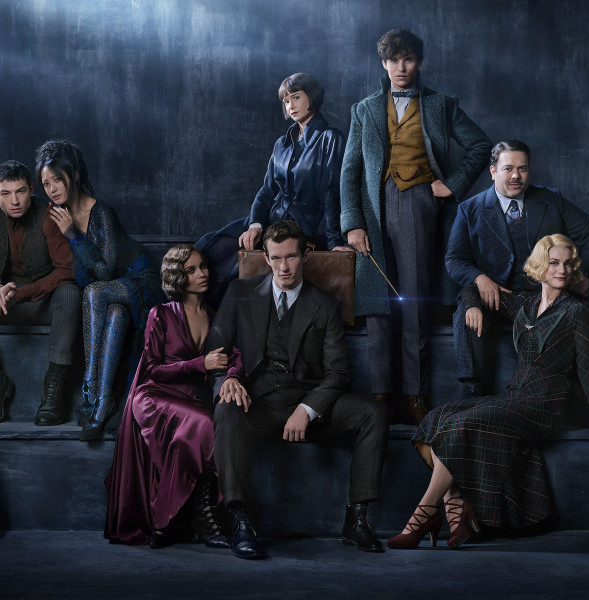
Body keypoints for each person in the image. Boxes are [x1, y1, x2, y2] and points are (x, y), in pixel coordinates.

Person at [387, 234, 589, 550]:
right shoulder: (525, 305)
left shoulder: (578, 312)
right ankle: (457, 509)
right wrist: (473, 305)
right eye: (554, 262)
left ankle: (425, 513)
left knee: (460, 424)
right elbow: (472, 288)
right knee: (437, 418)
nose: (562, 270)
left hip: (545, 404)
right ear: (540, 265)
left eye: (568, 264)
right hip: (515, 396)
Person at [206, 221, 389, 560]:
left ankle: (356, 519)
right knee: (226, 409)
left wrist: (307, 409)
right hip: (258, 404)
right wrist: (226, 380)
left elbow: (339, 373)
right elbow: (215, 352)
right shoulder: (239, 292)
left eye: (291, 256)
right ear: (265, 257)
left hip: (308, 405)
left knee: (374, 414)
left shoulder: (325, 304)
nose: (284, 267)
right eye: (276, 258)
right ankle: (239, 520)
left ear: (305, 256)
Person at [340, 28, 491, 424]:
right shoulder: (364, 109)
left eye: (408, 59)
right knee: (378, 306)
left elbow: (480, 145)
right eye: (394, 60)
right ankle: (382, 395)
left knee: (414, 302)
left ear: (419, 62)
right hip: (372, 210)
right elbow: (350, 169)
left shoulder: (441, 104)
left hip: (418, 204)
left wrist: (452, 185)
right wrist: (352, 223)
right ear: (384, 63)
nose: (401, 67)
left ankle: (414, 395)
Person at [104, 244, 243, 547]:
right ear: (177, 276)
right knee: (204, 425)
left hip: (191, 399)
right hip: (154, 396)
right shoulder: (162, 314)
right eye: (191, 270)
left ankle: (166, 521)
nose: (201, 274)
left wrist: (232, 375)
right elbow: (152, 369)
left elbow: (234, 355)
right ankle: (200, 521)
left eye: (203, 266)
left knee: (191, 436)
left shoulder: (216, 316)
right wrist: (199, 364)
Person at [446, 140, 589, 396]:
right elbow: (455, 259)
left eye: (522, 168)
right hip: (499, 296)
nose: (516, 175)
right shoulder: (470, 209)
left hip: (547, 295)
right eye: (508, 168)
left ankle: (582, 396)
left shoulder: (551, 200)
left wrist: (579, 274)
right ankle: (471, 391)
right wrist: (480, 277)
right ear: (493, 171)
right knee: (467, 310)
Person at [35, 140, 164, 440]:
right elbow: (79, 275)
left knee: (95, 292)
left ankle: (89, 387)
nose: (52, 189)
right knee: (115, 314)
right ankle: (103, 403)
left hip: (139, 283)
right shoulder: (57, 216)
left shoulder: (101, 211)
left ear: (74, 175)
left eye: (57, 179)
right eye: (46, 183)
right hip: (110, 298)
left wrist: (73, 234)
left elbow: (105, 271)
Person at [196, 73, 351, 305]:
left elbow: (332, 192)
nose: (291, 106)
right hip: (269, 219)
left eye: (296, 97)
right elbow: (267, 190)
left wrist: (334, 242)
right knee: (210, 247)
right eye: (286, 101)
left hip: (303, 227)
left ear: (312, 97)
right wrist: (255, 225)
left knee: (235, 271)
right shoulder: (282, 143)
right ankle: (198, 320)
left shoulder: (330, 138)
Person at [0, 160, 81, 425]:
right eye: (5, 193)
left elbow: (66, 269)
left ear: (32, 189)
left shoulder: (48, 215)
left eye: (20, 191)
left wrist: (22, 293)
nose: (14, 201)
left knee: (70, 293)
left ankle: (53, 391)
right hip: (6, 303)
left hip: (45, 300)